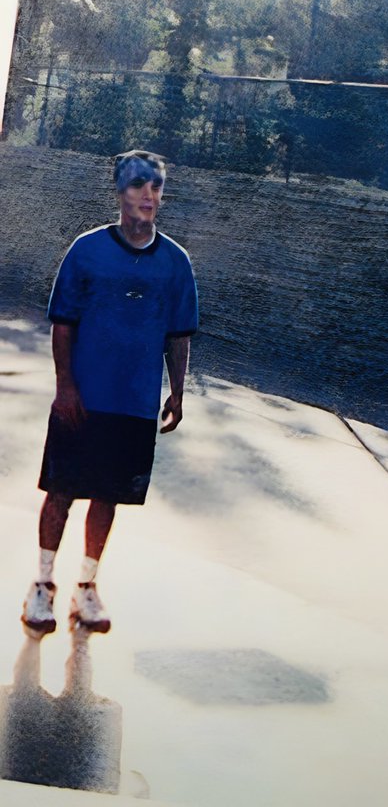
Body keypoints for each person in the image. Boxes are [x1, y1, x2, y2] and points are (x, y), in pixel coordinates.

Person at [21, 150, 198, 636]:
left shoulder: (175, 263)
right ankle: (41, 585)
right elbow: (63, 325)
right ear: (120, 191)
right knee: (61, 492)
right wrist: (65, 388)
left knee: (108, 497)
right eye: (139, 184)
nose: (149, 194)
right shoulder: (87, 250)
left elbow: (179, 334)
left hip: (134, 405)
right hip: (82, 400)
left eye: (156, 186)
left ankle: (86, 587)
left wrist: (177, 392)